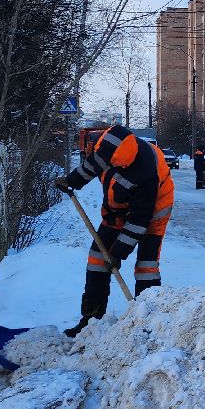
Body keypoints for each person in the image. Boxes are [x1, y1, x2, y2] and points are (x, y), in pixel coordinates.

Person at [55, 125, 174, 337]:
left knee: (146, 266)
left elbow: (139, 221)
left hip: (154, 208)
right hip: (116, 209)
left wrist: (117, 253)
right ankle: (91, 320)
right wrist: (72, 181)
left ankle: (148, 322)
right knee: (97, 259)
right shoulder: (109, 144)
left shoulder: (146, 172)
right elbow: (91, 165)